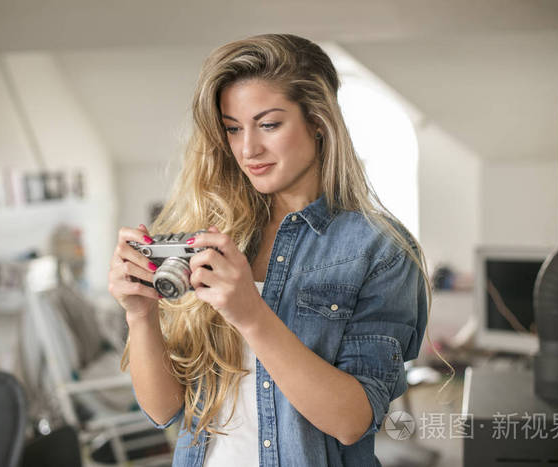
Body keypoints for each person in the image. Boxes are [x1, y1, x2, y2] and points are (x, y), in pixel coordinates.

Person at [108, 33, 430, 467]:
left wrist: (250, 314)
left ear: (317, 121)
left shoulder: (379, 248)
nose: (248, 149)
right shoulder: (211, 234)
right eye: (233, 128)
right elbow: (166, 411)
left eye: (269, 124)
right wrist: (139, 314)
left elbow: (353, 420)